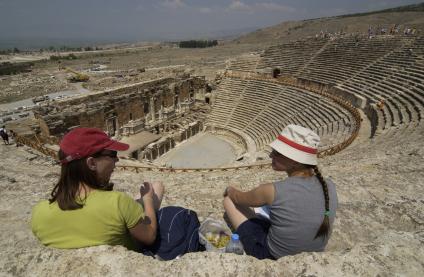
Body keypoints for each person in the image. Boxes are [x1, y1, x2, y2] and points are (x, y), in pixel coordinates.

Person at [31, 127, 163, 251]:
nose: (116, 159)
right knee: (157, 188)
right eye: (112, 154)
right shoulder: (117, 202)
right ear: (92, 163)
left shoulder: (39, 213)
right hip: (132, 247)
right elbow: (149, 237)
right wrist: (148, 199)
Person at [223, 125, 338, 260]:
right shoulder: (329, 185)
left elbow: (237, 198)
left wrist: (230, 190)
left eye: (277, 153)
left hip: (271, 254)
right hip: (314, 252)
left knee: (228, 201)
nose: (271, 155)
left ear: (294, 161)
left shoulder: (271, 190)